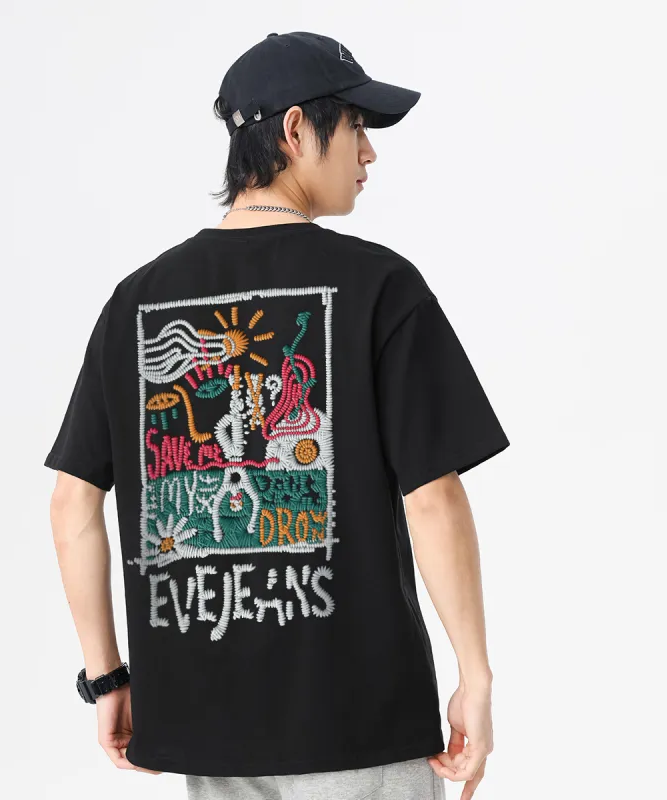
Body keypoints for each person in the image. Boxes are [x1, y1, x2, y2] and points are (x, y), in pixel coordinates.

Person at [45, 30, 510, 800]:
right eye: (356, 127)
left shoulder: (136, 302)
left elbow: (71, 501)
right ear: (296, 130)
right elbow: (432, 496)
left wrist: (108, 678)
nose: (369, 152)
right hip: (361, 722)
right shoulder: (380, 287)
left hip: (206, 731)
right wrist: (476, 675)